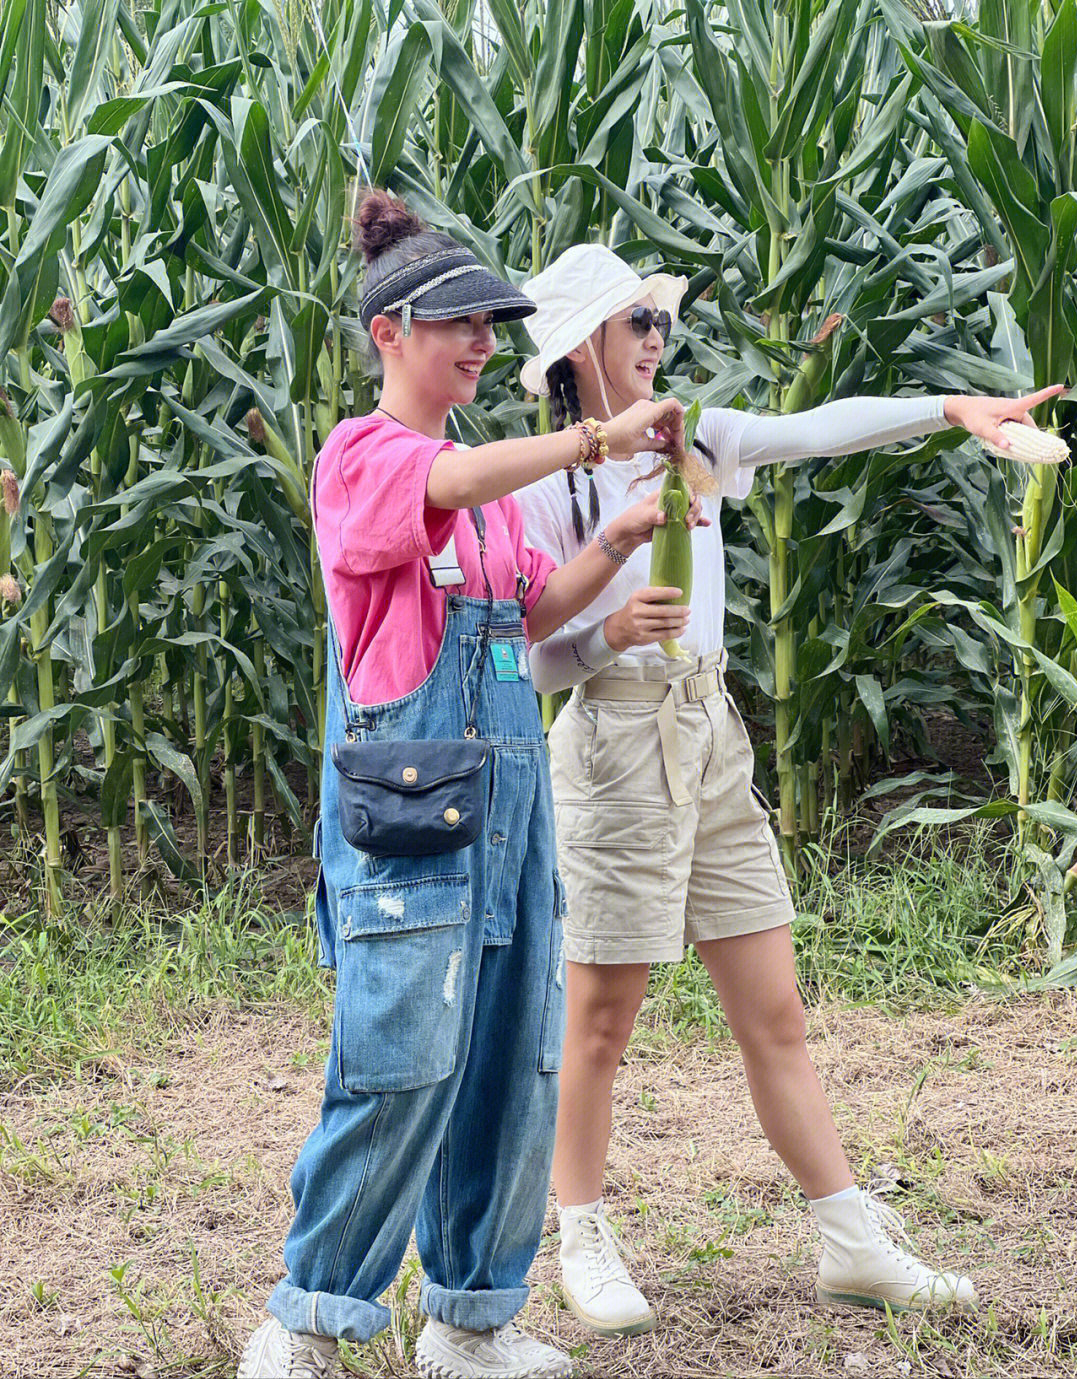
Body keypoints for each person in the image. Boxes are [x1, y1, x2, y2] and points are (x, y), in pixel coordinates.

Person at [516, 242, 1062, 1338]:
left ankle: (850, 1239)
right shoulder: (544, 482)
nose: (657, 339)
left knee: (776, 1011)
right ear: (580, 347)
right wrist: (610, 635)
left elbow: (818, 427)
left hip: (711, 734)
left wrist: (952, 408)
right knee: (600, 1020)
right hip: (614, 742)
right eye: (635, 324)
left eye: (659, 322)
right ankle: (579, 1231)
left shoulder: (698, 439)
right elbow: (528, 654)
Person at [237, 199, 696, 1379]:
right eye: (460, 324)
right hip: (412, 819)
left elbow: (533, 613)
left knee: (510, 1063)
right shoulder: (365, 458)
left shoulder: (485, 493)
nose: (485, 343)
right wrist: (595, 439)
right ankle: (306, 1318)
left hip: (511, 813)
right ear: (389, 332)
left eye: (493, 325)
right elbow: (444, 477)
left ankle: (472, 1317)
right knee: (398, 1062)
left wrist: (624, 535)